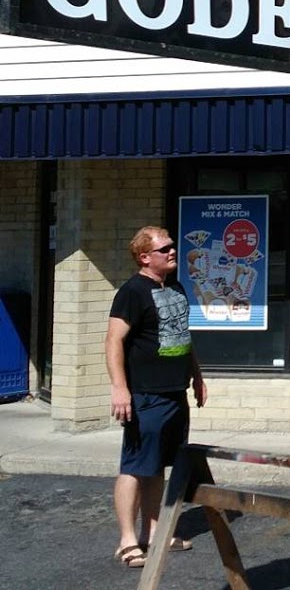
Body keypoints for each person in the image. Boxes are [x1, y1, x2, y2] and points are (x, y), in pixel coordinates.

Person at [105, 225, 207, 568]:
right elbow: (113, 340)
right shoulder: (132, 292)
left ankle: (153, 532)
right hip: (145, 395)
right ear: (145, 257)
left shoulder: (175, 287)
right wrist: (120, 388)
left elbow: (182, 334)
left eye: (172, 246)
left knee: (157, 466)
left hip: (174, 392)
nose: (172, 252)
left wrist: (196, 375)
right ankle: (127, 541)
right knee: (135, 467)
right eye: (164, 249)